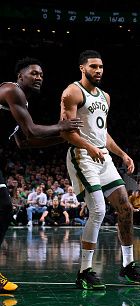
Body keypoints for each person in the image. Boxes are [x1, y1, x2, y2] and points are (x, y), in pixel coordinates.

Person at [60, 50, 140, 290]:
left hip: (103, 156)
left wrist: (122, 154)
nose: (98, 70)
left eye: (101, 66)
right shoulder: (72, 92)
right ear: (82, 68)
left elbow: (103, 134)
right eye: (93, 66)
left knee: (125, 208)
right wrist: (90, 148)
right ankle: (84, 272)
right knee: (98, 211)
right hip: (82, 156)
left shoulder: (105, 97)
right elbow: (66, 131)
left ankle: (128, 266)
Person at [0, 57, 83, 291]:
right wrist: (63, 127)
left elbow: (25, 142)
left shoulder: (20, 104)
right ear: (20, 76)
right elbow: (32, 129)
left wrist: (63, 138)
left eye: (42, 75)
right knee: (4, 207)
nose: (39, 77)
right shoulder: (12, 91)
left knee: (4, 208)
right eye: (34, 73)